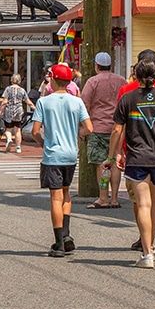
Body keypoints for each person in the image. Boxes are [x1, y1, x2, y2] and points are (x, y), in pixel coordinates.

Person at [109, 51, 155, 268]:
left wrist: (112, 156)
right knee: (154, 203)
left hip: (137, 157)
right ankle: (153, 244)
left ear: (136, 75)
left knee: (142, 204)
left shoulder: (127, 99)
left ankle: (147, 252)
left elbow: (117, 130)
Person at [31, 63, 92, 257]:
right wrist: (78, 135)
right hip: (70, 154)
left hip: (53, 154)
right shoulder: (77, 102)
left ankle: (58, 243)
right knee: (66, 194)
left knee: (55, 197)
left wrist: (43, 142)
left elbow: (35, 131)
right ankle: (66, 235)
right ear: (69, 81)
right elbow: (89, 128)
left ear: (54, 80)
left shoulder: (44, 102)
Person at [81, 51, 126, 207]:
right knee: (115, 161)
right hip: (118, 127)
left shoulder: (92, 82)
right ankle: (114, 198)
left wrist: (83, 127)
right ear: (110, 65)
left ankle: (103, 197)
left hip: (97, 126)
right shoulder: (121, 81)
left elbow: (84, 104)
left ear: (96, 65)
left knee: (101, 163)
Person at [0, 74, 32, 154]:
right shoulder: (22, 90)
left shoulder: (8, 89)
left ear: (11, 80)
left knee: (8, 129)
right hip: (19, 111)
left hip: (9, 110)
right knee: (17, 129)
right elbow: (27, 101)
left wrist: (0, 112)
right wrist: (34, 107)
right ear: (19, 81)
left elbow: (5, 101)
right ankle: (18, 147)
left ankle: (9, 139)